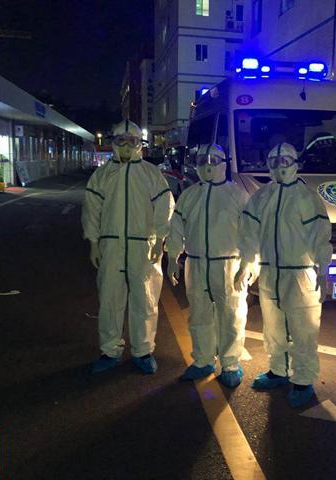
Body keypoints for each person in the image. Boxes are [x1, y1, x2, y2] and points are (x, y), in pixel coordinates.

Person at [235, 142, 332, 408]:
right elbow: (249, 232)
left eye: (285, 161)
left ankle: (303, 378)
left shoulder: (306, 198)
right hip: (270, 273)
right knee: (274, 327)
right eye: (275, 162)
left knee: (303, 329)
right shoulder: (262, 197)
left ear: (295, 163)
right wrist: (246, 262)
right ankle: (278, 370)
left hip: (299, 274)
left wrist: (323, 270)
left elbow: (320, 235)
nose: (280, 167)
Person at [82, 120, 174, 374]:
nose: (125, 146)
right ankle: (110, 349)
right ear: (113, 143)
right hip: (111, 246)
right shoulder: (102, 175)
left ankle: (143, 351)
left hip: (143, 246)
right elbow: (92, 210)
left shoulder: (150, 174)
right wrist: (93, 242)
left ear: (138, 144)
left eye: (130, 141)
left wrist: (161, 240)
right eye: (120, 141)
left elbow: (165, 207)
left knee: (144, 300)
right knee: (110, 299)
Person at [166, 144, 252, 387]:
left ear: (224, 163)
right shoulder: (190, 195)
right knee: (199, 315)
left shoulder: (237, 195)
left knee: (231, 315)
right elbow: (176, 228)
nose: (208, 165)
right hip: (196, 263)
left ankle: (230, 363)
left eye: (214, 160)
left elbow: (251, 232)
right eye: (203, 160)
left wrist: (248, 263)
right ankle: (203, 359)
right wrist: (173, 257)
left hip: (229, 264)